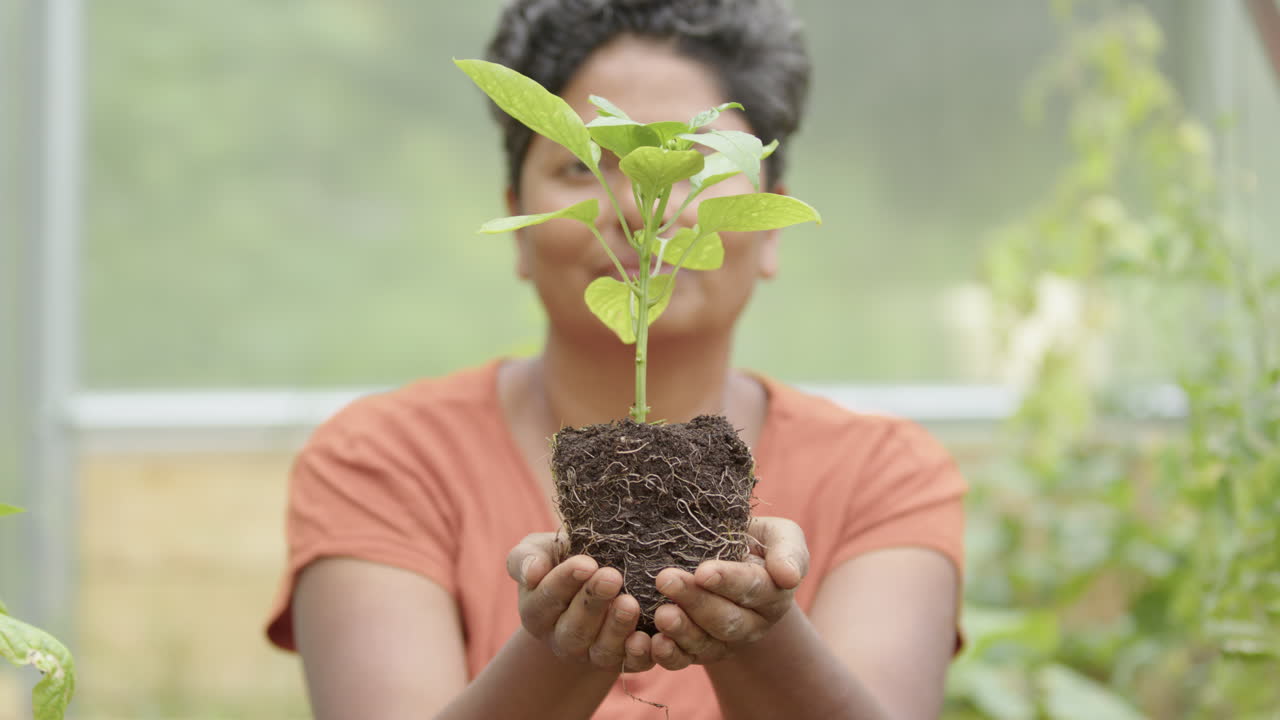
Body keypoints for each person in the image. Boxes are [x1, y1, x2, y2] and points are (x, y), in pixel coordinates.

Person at [264, 1, 967, 718]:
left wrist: (761, 623)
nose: (639, 210)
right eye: (581, 168)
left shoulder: (884, 475)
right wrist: (556, 644)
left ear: (771, 221)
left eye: (697, 167)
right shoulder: (383, 461)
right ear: (519, 220)